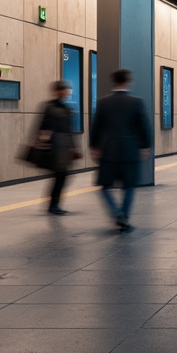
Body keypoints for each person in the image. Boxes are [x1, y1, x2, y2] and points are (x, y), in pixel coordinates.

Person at [89, 69, 153, 233]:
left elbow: (96, 127)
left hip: (108, 151)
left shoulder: (104, 103)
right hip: (130, 151)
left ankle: (116, 213)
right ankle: (123, 216)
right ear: (128, 82)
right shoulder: (136, 102)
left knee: (104, 186)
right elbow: (143, 126)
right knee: (129, 186)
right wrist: (145, 146)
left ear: (114, 82)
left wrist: (94, 146)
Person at [38, 80, 79, 215]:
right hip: (56, 146)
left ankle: (53, 204)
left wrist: (75, 147)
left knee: (62, 176)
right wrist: (41, 142)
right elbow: (43, 127)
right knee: (60, 175)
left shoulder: (66, 108)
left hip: (65, 146)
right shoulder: (50, 107)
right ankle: (53, 205)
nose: (67, 92)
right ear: (58, 90)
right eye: (65, 89)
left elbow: (70, 130)